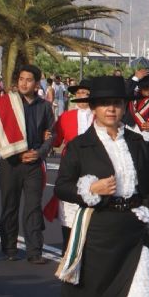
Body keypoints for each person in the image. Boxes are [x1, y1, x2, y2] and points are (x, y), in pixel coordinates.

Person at [54, 76, 149, 297]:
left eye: (117, 103)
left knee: (137, 291)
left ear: (125, 107)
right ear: (94, 108)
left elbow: (147, 185)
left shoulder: (136, 141)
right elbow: (61, 187)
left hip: (133, 231)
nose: (111, 109)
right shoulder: (80, 146)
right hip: (98, 234)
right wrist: (91, 189)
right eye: (105, 104)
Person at [0, 64, 55, 264]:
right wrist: (17, 155)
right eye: (21, 79)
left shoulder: (44, 106)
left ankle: (34, 251)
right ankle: (9, 247)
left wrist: (39, 153)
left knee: (33, 207)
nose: (24, 83)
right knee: (10, 206)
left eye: (29, 80)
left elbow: (51, 134)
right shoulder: (6, 104)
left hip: (33, 163)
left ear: (36, 83)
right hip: (11, 163)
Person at [44, 79, 93, 246]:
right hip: (70, 166)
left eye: (86, 94)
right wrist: (47, 137)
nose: (83, 97)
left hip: (94, 166)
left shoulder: (99, 116)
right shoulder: (66, 116)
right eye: (79, 93)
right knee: (68, 204)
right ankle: (68, 244)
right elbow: (56, 141)